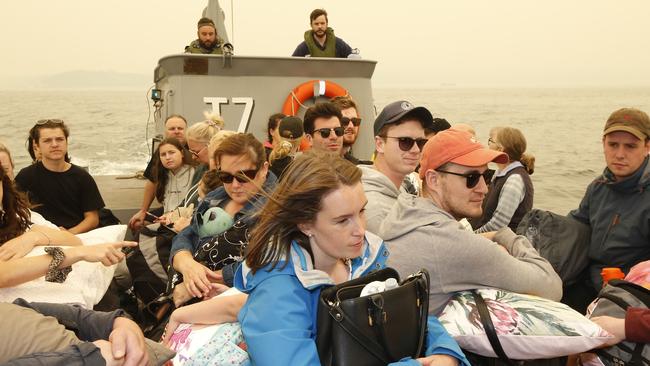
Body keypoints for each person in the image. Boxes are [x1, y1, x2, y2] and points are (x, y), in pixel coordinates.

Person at [233, 151, 469, 366]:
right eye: (342, 220)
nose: (360, 230)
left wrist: (446, 353)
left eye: (362, 211)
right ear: (305, 224)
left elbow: (409, 315)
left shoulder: (364, 259)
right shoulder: (277, 292)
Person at [379, 129, 562, 315]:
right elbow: (551, 286)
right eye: (471, 178)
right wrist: (504, 234)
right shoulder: (453, 245)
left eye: (486, 176)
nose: (484, 188)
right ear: (434, 180)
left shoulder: (404, 214)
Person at [169, 133, 277, 304]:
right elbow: (187, 234)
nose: (234, 185)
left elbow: (269, 263)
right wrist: (187, 264)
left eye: (244, 176)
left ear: (263, 169)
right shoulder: (216, 196)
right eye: (226, 177)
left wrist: (204, 279)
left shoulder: (278, 210)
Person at [0, 161, 136, 288]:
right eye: (47, 140)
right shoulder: (28, 176)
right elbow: (4, 276)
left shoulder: (18, 217)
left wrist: (33, 237)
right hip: (19, 305)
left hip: (48, 288)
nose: (54, 144)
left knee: (123, 272)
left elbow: (74, 239)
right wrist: (75, 254)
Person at [568, 107, 650, 312]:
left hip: (631, 294)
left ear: (647, 146)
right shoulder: (597, 188)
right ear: (603, 143)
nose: (620, 154)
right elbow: (574, 229)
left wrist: (628, 283)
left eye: (630, 146)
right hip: (588, 281)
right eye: (613, 144)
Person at [15, 119, 105, 234]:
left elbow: (92, 219)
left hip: (77, 236)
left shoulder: (82, 177)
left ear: (66, 143)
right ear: (36, 146)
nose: (55, 144)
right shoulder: (25, 176)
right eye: (47, 141)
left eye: (59, 139)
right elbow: (15, 212)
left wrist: (67, 234)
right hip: (38, 235)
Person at [0, 299, 151, 365]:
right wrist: (88, 358)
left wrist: (123, 326)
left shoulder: (14, 307)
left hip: (138, 354)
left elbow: (81, 318)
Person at [360, 100, 433, 233]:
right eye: (405, 142)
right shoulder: (378, 211)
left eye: (421, 142)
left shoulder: (398, 189)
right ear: (380, 144)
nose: (416, 150)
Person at [129, 115, 189, 231]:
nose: (176, 131)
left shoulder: (195, 152)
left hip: (188, 209)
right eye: (172, 129)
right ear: (165, 132)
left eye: (180, 128)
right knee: (136, 224)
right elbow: (152, 181)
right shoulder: (162, 151)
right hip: (168, 206)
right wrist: (143, 211)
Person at [473, 127, 535, 233]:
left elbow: (498, 225)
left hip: (503, 243)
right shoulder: (500, 173)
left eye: (490, 141)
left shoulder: (514, 180)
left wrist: (470, 236)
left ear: (500, 149)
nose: (487, 145)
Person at [330, 95, 369, 163]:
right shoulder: (319, 165)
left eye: (355, 121)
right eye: (344, 121)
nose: (351, 126)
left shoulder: (360, 166)